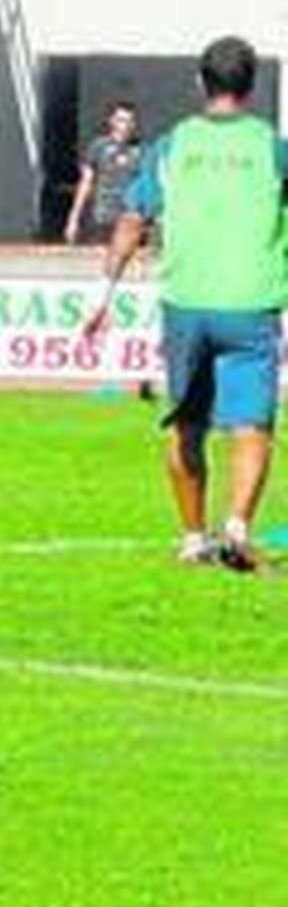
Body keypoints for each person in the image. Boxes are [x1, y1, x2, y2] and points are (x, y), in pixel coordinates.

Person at [84, 37, 288, 572]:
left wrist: (103, 295)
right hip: (252, 302)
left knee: (187, 424)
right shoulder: (272, 147)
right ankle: (238, 528)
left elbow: (132, 219)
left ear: (200, 83)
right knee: (252, 425)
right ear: (251, 87)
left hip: (186, 303)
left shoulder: (172, 146)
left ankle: (194, 537)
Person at [65, 100, 141, 246]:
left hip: (128, 221)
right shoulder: (98, 147)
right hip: (102, 220)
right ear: (111, 121)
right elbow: (85, 183)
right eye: (121, 120)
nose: (125, 125)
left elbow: (146, 187)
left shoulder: (140, 150)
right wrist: (73, 219)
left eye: (130, 121)